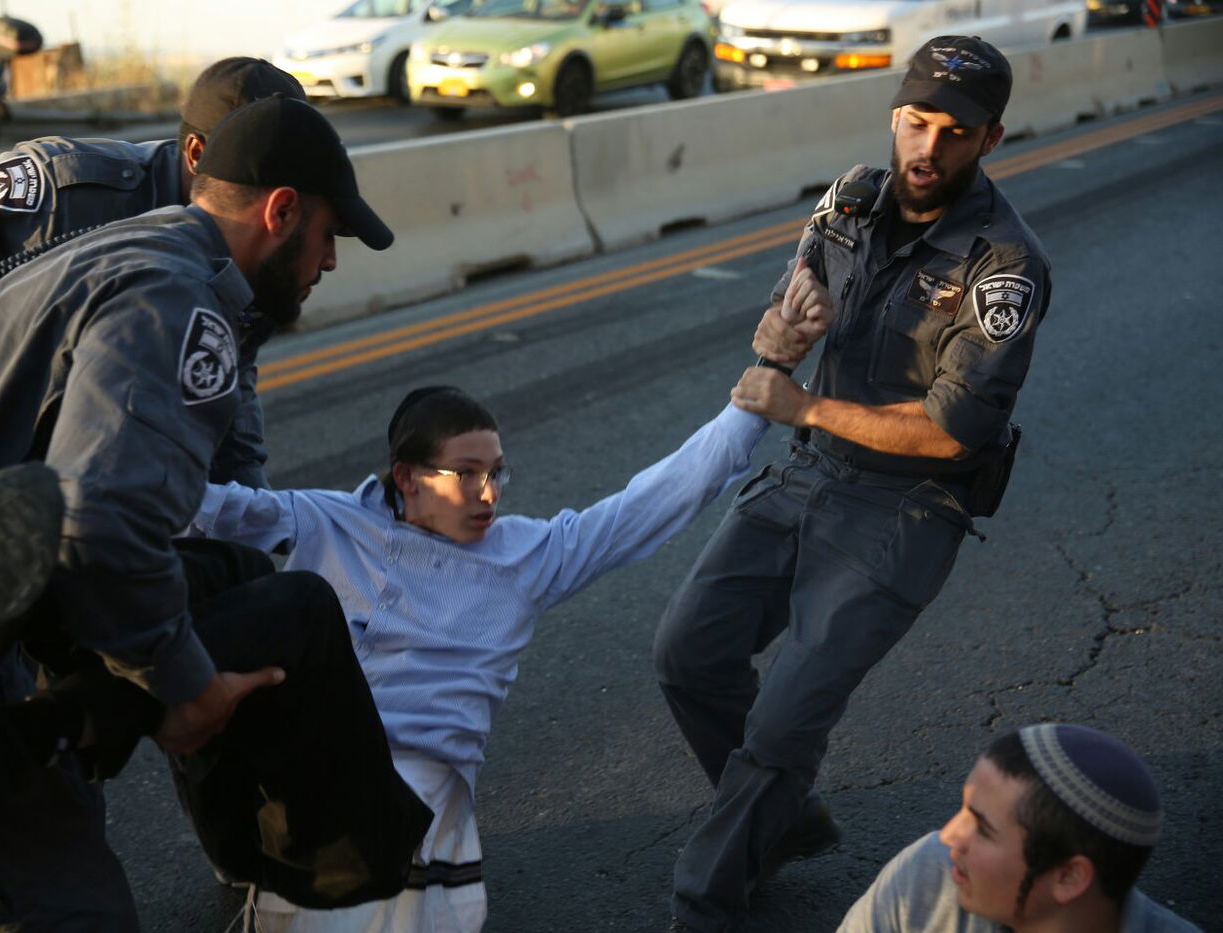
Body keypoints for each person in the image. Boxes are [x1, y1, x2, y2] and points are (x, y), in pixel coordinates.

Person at [0, 95, 430, 930]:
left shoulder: (142, 248)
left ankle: (308, 858)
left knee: (259, 590)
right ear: (280, 210)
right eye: (330, 235)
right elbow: (104, 529)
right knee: (72, 909)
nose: (329, 262)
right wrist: (184, 690)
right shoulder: (177, 300)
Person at [654, 35, 1053, 932]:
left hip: (906, 508)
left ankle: (703, 902)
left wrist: (800, 404)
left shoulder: (1004, 266)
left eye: (955, 132)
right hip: (810, 472)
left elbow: (950, 433)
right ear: (893, 114)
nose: (928, 148)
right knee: (689, 651)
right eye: (915, 122)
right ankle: (782, 819)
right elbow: (787, 307)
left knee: (784, 720)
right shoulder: (852, 200)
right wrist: (785, 330)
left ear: (990, 139)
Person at [188, 376, 803, 932]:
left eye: (498, 472)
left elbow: (650, 501)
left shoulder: (528, 555)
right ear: (407, 477)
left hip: (424, 779)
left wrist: (753, 405)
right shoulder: (328, 521)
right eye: (467, 474)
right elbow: (206, 508)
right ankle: (237, 843)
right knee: (195, 610)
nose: (489, 494)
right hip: (313, 765)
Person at [0, 54, 303, 486]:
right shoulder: (73, 191)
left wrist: (251, 506)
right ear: (198, 153)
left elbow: (227, 381)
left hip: (94, 462)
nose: (275, 205)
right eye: (258, 176)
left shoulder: (257, 238)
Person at [838, 724, 1201, 932]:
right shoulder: (927, 879)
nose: (949, 836)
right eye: (963, 809)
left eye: (982, 828)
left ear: (1069, 877)